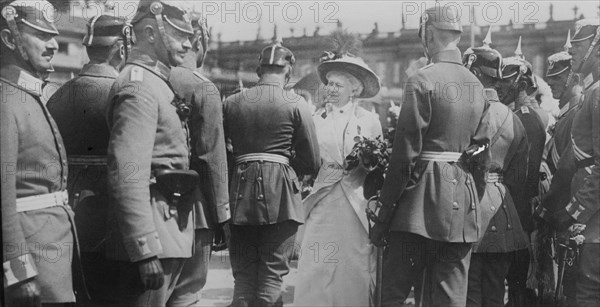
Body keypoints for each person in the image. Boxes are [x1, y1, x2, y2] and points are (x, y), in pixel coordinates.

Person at [369, 6, 487, 306]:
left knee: (391, 296)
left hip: (416, 209)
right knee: (450, 299)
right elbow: (481, 154)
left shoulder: (421, 80)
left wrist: (384, 214)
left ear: (429, 34)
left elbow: (404, 155)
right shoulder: (478, 87)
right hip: (461, 208)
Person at [104, 1, 211, 305]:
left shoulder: (156, 83)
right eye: (179, 35)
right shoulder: (139, 87)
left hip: (168, 232)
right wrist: (144, 248)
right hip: (154, 237)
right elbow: (127, 169)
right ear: (150, 32)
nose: (189, 43)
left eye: (189, 36)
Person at [223, 39, 320, 307]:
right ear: (288, 71)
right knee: (271, 277)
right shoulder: (296, 103)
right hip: (281, 198)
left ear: (259, 70)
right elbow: (312, 161)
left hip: (239, 195)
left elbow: (221, 154)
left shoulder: (231, 102)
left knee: (242, 278)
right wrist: (285, 166)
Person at [46, 15, 132, 304]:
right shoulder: (128, 96)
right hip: (116, 220)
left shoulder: (57, 96)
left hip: (67, 219)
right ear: (121, 50)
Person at [294, 41, 383, 307]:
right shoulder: (313, 118)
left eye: (338, 85)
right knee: (318, 263)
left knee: (353, 263)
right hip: (322, 201)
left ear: (354, 89)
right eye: (329, 84)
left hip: (355, 203)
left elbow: (378, 167)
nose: (330, 89)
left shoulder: (369, 120)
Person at [1, 1, 78, 306]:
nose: (53, 45)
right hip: (31, 261)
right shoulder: (6, 101)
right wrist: (18, 270)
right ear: (9, 39)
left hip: (50, 256)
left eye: (53, 35)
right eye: (41, 36)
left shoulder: (27, 95)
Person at [462, 29, 530, 307]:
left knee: (468, 291)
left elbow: (464, 158)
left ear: (474, 73)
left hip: (469, 204)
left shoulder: (467, 110)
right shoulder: (513, 118)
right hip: (504, 213)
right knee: (494, 291)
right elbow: (519, 177)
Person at [167, 12, 230, 306]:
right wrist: (223, 217)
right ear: (198, 39)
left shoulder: (156, 77)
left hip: (151, 205)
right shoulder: (202, 87)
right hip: (194, 209)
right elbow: (211, 157)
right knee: (187, 292)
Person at [550, 18, 600, 307]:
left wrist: (574, 212)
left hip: (593, 222)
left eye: (577, 48)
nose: (571, 53)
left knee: (587, 294)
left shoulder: (596, 94)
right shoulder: (592, 92)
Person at [532, 33, 583, 306]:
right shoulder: (565, 114)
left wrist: (547, 208)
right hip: (558, 212)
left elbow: (566, 170)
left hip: (567, 213)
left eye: (558, 79)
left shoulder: (577, 114)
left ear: (573, 79)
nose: (551, 84)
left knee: (566, 289)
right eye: (549, 79)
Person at [497, 38, 548, 307]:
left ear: (522, 85)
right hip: (513, 211)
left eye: (508, 83)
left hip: (518, 214)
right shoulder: (515, 115)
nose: (501, 87)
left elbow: (524, 178)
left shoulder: (526, 118)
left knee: (519, 287)